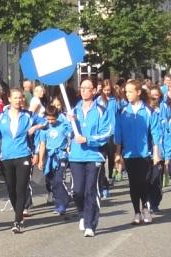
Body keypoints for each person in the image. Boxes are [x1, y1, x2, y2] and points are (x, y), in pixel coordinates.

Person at [0, 88, 43, 233]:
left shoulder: (28, 115)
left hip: (23, 155)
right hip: (6, 157)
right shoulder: (0, 117)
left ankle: (18, 220)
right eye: (15, 98)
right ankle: (18, 213)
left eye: (21, 98)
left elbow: (46, 121)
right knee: (11, 189)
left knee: (21, 188)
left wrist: (36, 127)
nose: (19, 100)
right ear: (9, 99)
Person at [68, 79, 111, 237]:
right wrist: (69, 123)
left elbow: (106, 133)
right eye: (82, 88)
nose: (85, 91)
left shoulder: (101, 110)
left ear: (94, 91)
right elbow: (66, 131)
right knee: (78, 191)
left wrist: (88, 139)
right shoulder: (74, 110)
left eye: (88, 88)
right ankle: (82, 213)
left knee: (90, 190)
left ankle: (90, 224)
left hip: (94, 155)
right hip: (76, 156)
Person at [115, 80, 161, 224]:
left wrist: (156, 153)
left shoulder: (148, 111)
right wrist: (118, 154)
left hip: (144, 154)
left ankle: (145, 208)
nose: (127, 94)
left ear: (138, 92)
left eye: (130, 91)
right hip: (129, 154)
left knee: (144, 182)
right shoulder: (122, 112)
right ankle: (136, 211)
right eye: (126, 92)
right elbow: (118, 134)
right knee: (133, 184)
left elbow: (155, 133)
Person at [38, 106, 71, 215]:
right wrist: (41, 160)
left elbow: (70, 136)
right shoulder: (44, 129)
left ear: (57, 117)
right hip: (49, 157)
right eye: (48, 119)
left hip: (61, 155)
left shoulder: (63, 126)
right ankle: (59, 201)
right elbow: (42, 144)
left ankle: (62, 204)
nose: (51, 122)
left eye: (53, 119)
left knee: (58, 180)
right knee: (50, 181)